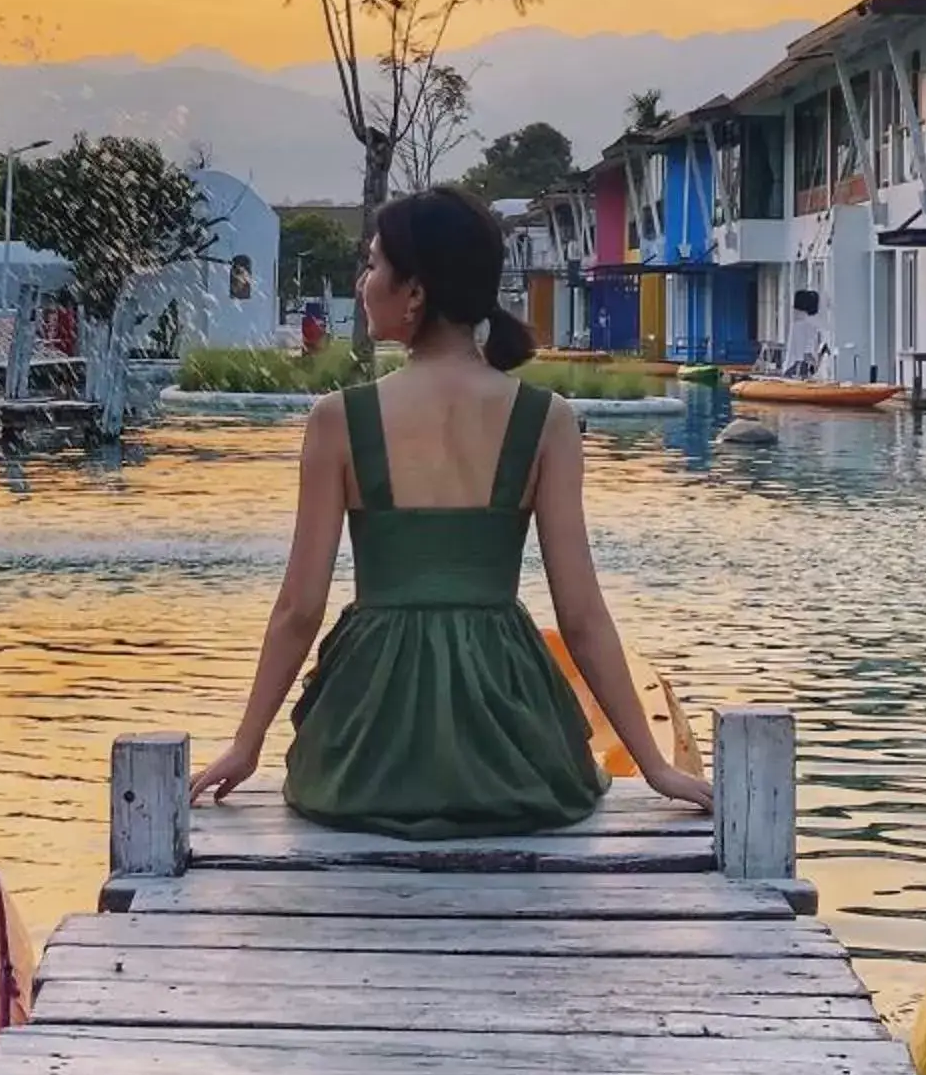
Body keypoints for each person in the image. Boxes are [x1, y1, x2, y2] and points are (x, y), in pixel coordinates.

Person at [192, 186, 714, 837]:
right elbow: (581, 617)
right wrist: (655, 766)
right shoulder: (546, 420)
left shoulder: (337, 421)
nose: (363, 281)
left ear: (415, 292)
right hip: (510, 750)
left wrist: (246, 745)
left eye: (376, 263)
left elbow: (300, 608)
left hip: (368, 753)